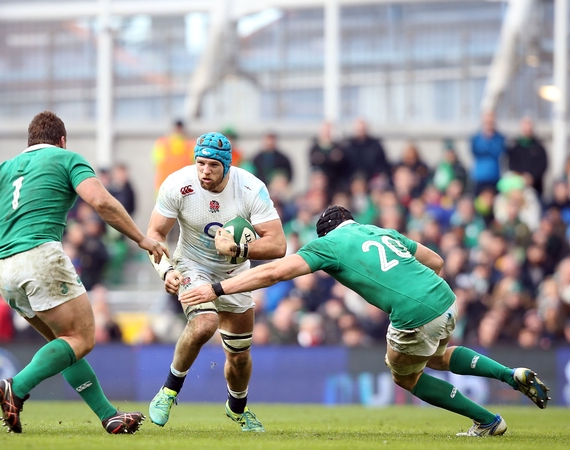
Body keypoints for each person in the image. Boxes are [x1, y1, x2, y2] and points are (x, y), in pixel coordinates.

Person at [181, 205, 551, 437]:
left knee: (404, 375)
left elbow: (276, 271)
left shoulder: (327, 245)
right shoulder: (379, 231)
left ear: (324, 233)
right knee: (437, 356)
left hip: (415, 313)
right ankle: (510, 374)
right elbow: (437, 261)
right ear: (350, 221)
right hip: (443, 298)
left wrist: (218, 288)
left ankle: (488, 421)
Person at [0, 110, 168, 434]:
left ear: (29, 142)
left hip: (2, 269)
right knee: (81, 338)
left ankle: (108, 415)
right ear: (61, 141)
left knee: (65, 345)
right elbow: (101, 202)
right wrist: (142, 239)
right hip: (39, 259)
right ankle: (16, 387)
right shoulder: (66, 159)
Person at [146, 132, 286, 432]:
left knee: (239, 357)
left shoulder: (250, 188)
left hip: (235, 273)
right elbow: (155, 234)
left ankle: (237, 410)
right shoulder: (177, 184)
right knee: (204, 323)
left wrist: (238, 249)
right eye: (200, 164)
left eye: (212, 165)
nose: (204, 171)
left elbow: (278, 245)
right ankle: (168, 391)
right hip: (191, 265)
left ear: (227, 165)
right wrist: (166, 270)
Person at [506, 117, 548, 197]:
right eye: (525, 127)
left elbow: (543, 164)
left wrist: (532, 177)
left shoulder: (539, 147)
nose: (527, 130)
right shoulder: (515, 147)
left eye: (529, 127)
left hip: (536, 187)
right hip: (519, 188)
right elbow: (512, 165)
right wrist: (522, 177)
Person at [153, 119, 195, 193]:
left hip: (168, 185)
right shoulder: (190, 144)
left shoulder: (162, 143)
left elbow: (155, 162)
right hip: (180, 186)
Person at [470, 110, 506, 195]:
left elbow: (499, 152)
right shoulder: (476, 138)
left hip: (494, 177)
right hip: (479, 177)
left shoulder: (500, 138)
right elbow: (476, 151)